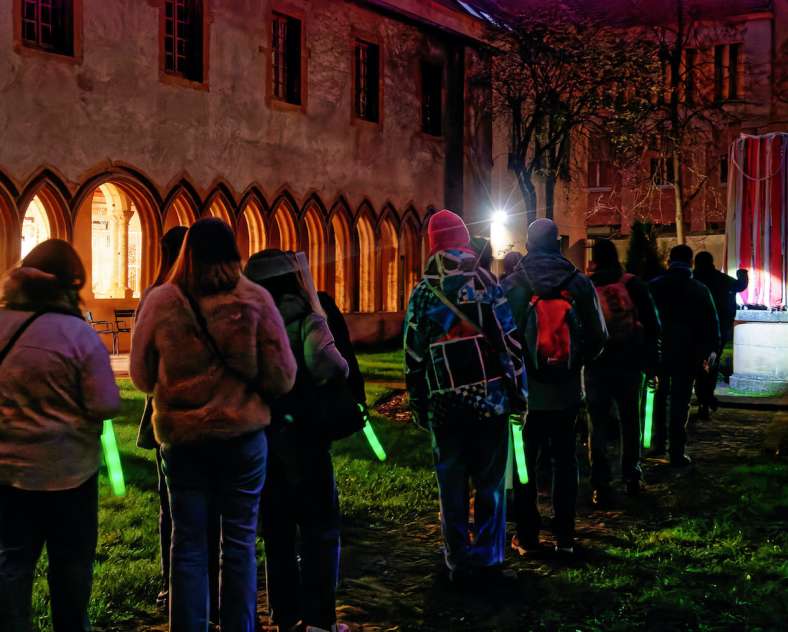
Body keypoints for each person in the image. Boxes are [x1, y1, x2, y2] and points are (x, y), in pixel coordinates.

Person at [130, 218, 297, 632]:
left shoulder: (161, 302)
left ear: (187, 253)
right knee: (239, 543)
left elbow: (140, 376)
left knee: (186, 544)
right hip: (242, 439)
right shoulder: (255, 299)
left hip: (183, 441)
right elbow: (283, 377)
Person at [0, 240, 121, 632]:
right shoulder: (78, 335)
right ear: (71, 286)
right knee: (70, 570)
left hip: (7, 474)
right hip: (69, 475)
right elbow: (105, 403)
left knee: (11, 566)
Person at [404, 209, 526, 583]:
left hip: (444, 405)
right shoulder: (486, 281)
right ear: (461, 239)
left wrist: (418, 403)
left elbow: (413, 354)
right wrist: (518, 390)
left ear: (433, 244)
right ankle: (489, 557)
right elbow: (508, 341)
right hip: (489, 401)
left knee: (451, 485)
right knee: (490, 483)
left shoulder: (423, 292)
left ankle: (457, 559)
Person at [245, 250, 350, 632]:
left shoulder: (246, 321)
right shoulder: (305, 319)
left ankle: (285, 614)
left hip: (262, 436)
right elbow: (332, 366)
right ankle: (320, 619)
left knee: (277, 530)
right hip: (305, 436)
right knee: (319, 527)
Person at [503, 218, 607, 555]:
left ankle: (528, 536)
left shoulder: (513, 283)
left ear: (529, 245)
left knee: (525, 463)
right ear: (559, 245)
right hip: (566, 392)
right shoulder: (578, 283)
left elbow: (500, 337)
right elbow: (598, 336)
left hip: (525, 392)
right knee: (565, 462)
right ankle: (564, 535)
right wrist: (574, 363)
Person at [584, 239, 661, 505]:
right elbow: (653, 324)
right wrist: (651, 362)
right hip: (629, 362)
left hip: (596, 364)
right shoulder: (633, 283)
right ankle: (632, 475)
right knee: (631, 421)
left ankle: (600, 484)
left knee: (598, 426)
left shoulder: (587, 285)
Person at [649, 245, 720, 466]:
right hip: (687, 353)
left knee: (659, 397)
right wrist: (710, 351)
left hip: (658, 351)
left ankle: (657, 444)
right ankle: (677, 452)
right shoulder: (699, 289)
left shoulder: (654, 286)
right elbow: (711, 324)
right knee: (680, 401)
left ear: (669, 261)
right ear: (690, 263)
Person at [692, 251, 748, 418]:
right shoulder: (721, 279)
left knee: (696, 365)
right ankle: (706, 397)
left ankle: (703, 397)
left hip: (695, 332)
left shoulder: (692, 279)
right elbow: (739, 286)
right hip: (717, 333)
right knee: (711, 364)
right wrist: (743, 274)